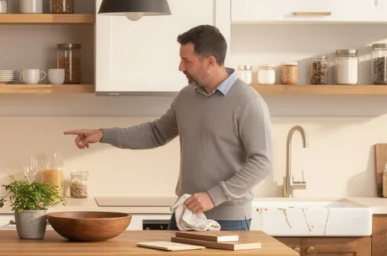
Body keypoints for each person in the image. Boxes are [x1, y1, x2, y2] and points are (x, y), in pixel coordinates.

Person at [64, 25, 273, 231]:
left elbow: (262, 162)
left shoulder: (248, 102)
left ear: (210, 62)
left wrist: (214, 196)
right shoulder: (187, 96)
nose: (180, 67)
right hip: (184, 214)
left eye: (186, 61)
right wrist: (102, 134)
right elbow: (156, 133)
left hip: (228, 220)